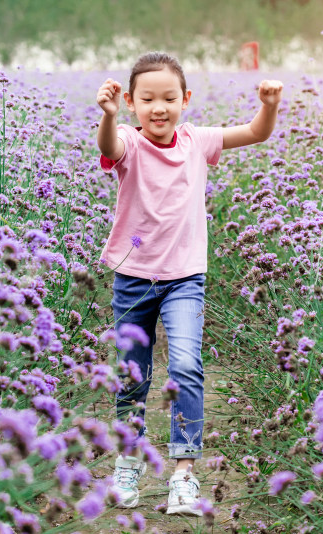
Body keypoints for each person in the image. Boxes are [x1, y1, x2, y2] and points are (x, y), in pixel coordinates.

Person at [95, 51, 283, 516]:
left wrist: (269, 105)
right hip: (133, 277)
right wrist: (108, 116)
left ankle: (183, 473)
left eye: (168, 98)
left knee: (185, 367)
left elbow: (257, 133)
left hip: (184, 279)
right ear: (134, 104)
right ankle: (130, 460)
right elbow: (110, 148)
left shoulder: (198, 141)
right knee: (131, 376)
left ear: (185, 100)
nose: (158, 107)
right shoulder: (128, 142)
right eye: (147, 99)